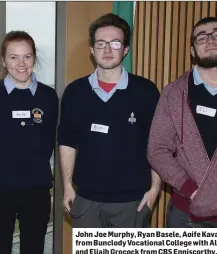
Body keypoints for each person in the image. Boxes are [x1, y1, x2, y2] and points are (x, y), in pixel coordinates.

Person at [147, 17, 217, 228]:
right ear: (193, 51)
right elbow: (157, 150)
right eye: (201, 38)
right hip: (185, 213)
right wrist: (190, 189)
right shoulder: (173, 94)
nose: (210, 40)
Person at [58, 13, 162, 228]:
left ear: (125, 49)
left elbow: (159, 144)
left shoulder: (146, 91)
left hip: (133, 202)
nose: (107, 49)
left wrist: (155, 189)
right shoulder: (75, 92)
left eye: (115, 43)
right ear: (91, 49)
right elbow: (67, 141)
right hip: (86, 200)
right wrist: (67, 186)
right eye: (101, 43)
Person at [0, 31, 58, 253]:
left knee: (34, 248)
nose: (21, 63)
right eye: (13, 57)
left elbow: (47, 141)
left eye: (27, 56)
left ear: (34, 58)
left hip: (36, 189)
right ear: (3, 60)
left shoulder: (49, 96)